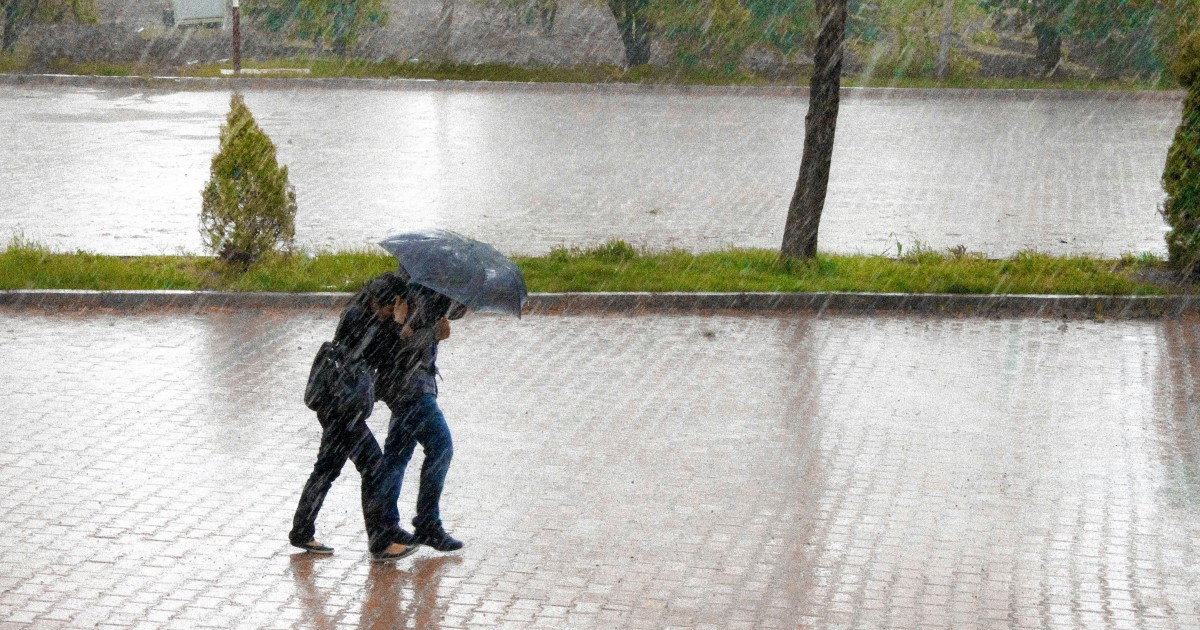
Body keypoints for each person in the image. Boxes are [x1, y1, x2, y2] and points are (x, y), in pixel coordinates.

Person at [289, 272, 418, 561]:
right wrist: (398, 327)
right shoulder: (364, 319)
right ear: (391, 302)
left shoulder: (360, 312)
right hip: (341, 409)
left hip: (334, 403)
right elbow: (384, 356)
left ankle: (301, 530)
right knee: (374, 467)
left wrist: (395, 328)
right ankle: (380, 541)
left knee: (327, 468)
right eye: (398, 305)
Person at [373, 284, 467, 552]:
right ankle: (426, 523)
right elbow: (402, 344)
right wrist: (434, 333)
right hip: (410, 388)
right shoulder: (416, 291)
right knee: (441, 447)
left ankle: (386, 525)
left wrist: (462, 300)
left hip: (408, 385)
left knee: (397, 454)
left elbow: (452, 312)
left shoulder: (432, 286)